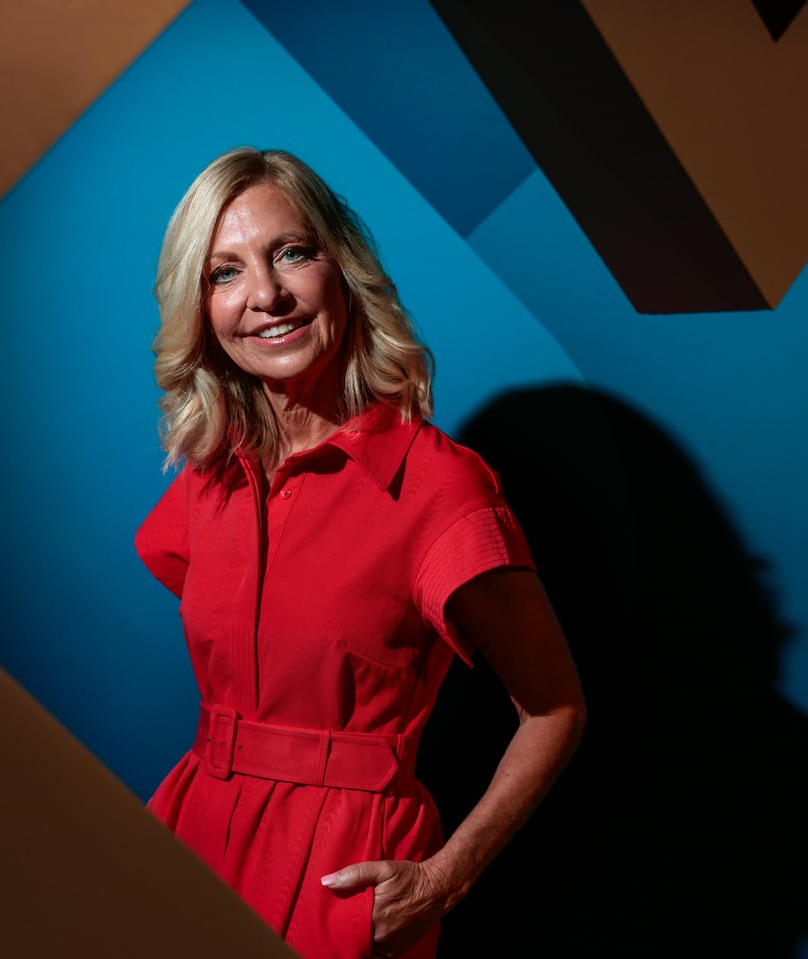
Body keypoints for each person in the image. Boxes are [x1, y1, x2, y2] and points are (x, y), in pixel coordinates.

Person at [134, 147, 585, 959]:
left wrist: (446, 878)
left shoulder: (439, 484)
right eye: (224, 273)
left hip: (338, 878)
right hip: (188, 841)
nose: (265, 295)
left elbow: (554, 709)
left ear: (340, 266)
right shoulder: (209, 474)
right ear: (200, 308)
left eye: (291, 253)